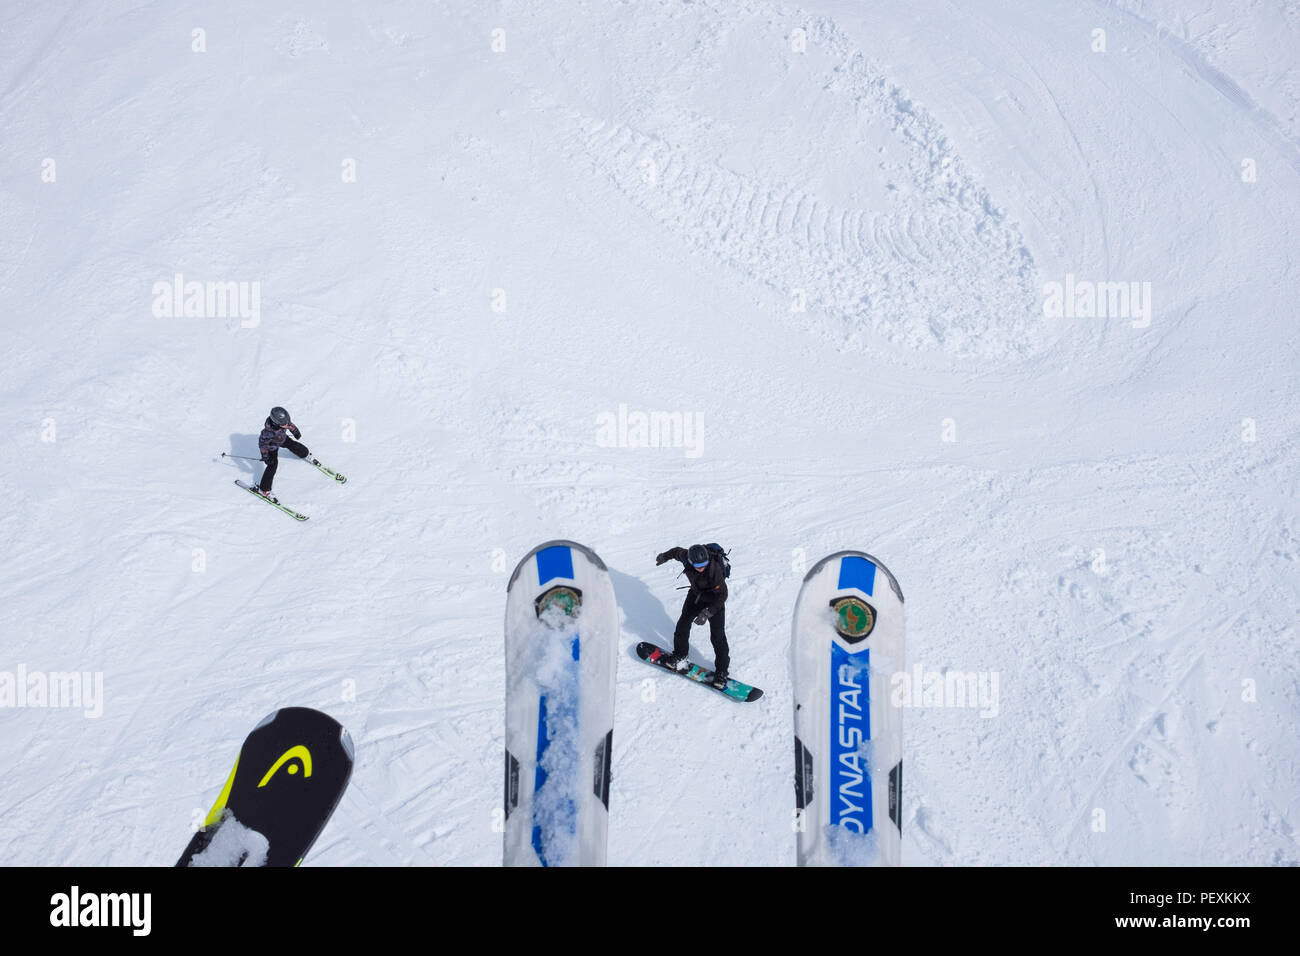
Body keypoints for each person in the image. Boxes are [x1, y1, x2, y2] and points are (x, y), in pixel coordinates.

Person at [655, 544, 729, 685]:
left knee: (717, 636)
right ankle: (680, 654)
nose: (702, 568)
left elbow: (723, 594)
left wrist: (707, 613)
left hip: (715, 601)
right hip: (696, 596)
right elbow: (676, 551)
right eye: (698, 565)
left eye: (704, 564)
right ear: (690, 561)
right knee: (683, 624)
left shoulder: (715, 572)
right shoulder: (686, 557)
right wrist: (664, 556)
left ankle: (722, 671)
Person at [254, 406, 312, 498]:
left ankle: (305, 454)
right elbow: (262, 445)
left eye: (287, 422)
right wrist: (265, 456)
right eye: (284, 424)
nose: (287, 425)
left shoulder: (283, 421)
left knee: (293, 445)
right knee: (272, 465)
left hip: (282, 439)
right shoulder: (266, 433)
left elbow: (290, 425)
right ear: (276, 423)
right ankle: (264, 489)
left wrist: (295, 432)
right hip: (271, 447)